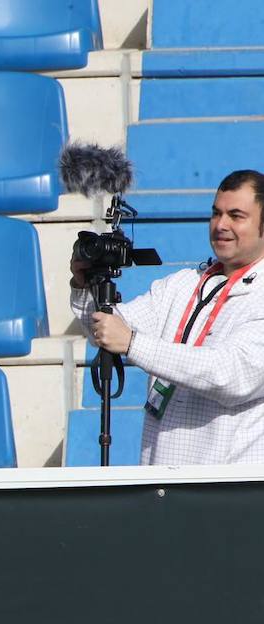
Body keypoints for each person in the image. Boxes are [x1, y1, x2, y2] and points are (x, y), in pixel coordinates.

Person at [74, 169, 264, 465]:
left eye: (236, 216)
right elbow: (108, 330)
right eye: (216, 214)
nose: (221, 225)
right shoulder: (183, 283)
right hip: (162, 481)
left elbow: (230, 375)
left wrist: (134, 345)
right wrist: (87, 286)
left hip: (229, 489)